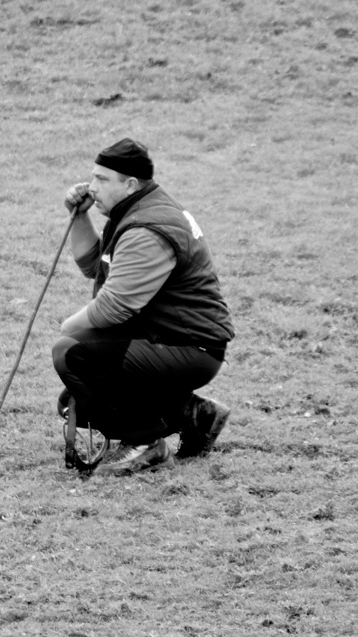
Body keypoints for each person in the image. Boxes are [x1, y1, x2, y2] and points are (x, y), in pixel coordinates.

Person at [52, 138, 234, 475]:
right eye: (93, 177)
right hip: (168, 337)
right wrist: (79, 216)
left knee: (71, 354)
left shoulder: (146, 229)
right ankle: (193, 414)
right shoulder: (138, 210)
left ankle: (145, 443)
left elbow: (113, 308)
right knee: (74, 401)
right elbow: (95, 266)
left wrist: (67, 331)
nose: (92, 187)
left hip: (188, 347)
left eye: (102, 179)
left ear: (130, 184)